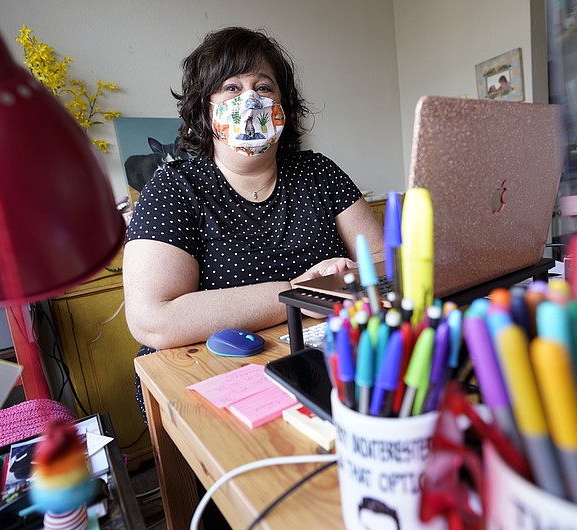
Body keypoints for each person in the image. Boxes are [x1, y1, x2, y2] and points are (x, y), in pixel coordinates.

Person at [124, 25, 383, 372]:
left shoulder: (319, 172)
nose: (250, 100)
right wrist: (297, 292)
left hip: (331, 357)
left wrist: (351, 277)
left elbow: (383, 264)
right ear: (205, 110)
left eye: (263, 87)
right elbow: (152, 319)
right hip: (213, 372)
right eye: (231, 87)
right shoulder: (174, 187)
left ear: (282, 107)